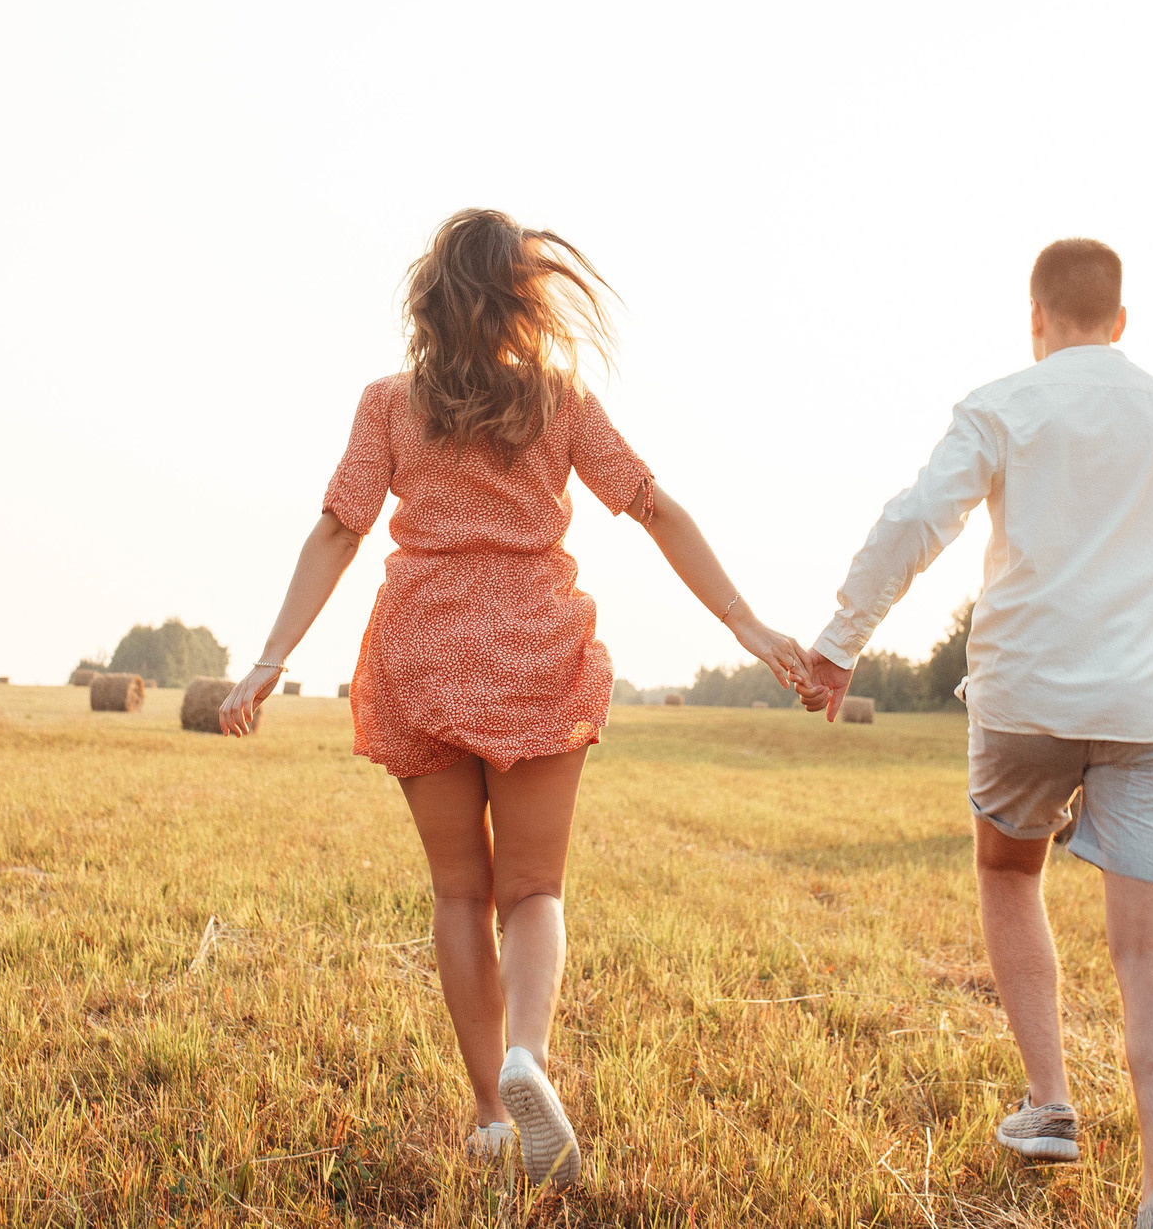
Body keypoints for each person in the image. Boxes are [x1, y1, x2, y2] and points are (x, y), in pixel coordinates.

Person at [219, 208, 808, 1187]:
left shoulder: (387, 404)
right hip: (535, 647)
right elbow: (652, 507)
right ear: (524, 301)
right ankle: (527, 1048)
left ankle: (493, 1109)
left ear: (428, 301)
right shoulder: (559, 402)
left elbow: (338, 528)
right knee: (532, 889)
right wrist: (750, 628)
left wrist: (269, 658)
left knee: (459, 890)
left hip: (422, 650)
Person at [794, 238, 1153, 1229]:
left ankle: (1049, 1105)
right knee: (1152, 950)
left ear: (1036, 319)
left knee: (1009, 872)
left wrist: (840, 644)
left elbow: (918, 519)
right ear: (1121, 321)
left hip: (1027, 697)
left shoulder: (1004, 401)